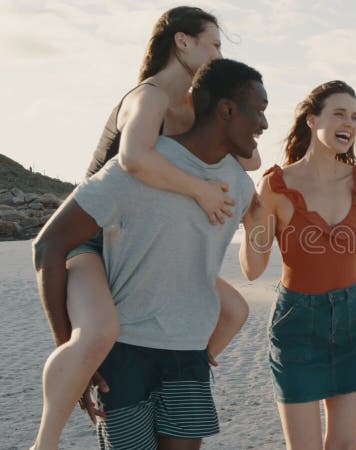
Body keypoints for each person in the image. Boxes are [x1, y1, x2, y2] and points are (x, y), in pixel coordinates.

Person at [31, 8, 255, 450]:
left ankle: (181, 374)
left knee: (233, 311)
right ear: (182, 42)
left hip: (140, 241)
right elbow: (133, 158)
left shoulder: (189, 108)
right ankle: (46, 440)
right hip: (93, 238)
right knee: (98, 334)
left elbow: (249, 158)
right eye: (214, 44)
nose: (217, 54)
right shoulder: (149, 96)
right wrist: (201, 191)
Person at [239, 80, 356, 450]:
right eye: (339, 113)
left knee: (344, 444)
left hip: (351, 321)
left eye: (354, 116)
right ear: (311, 119)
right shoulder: (276, 185)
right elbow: (252, 269)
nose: (350, 123)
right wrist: (251, 220)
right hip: (296, 325)